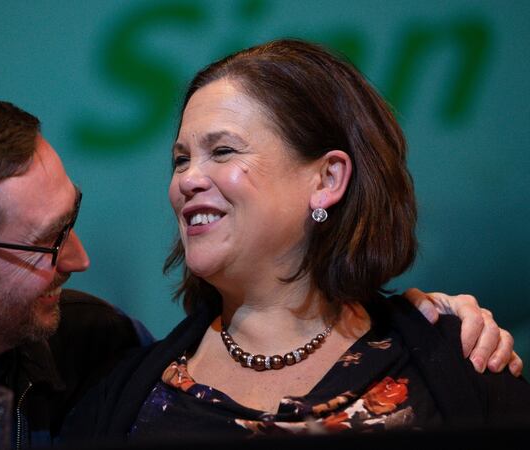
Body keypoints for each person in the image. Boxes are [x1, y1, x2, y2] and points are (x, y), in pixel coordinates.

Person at [0, 92, 519, 449]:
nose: (80, 259)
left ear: (328, 178)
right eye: (49, 242)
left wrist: (437, 330)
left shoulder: (96, 351)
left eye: (224, 151)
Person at [61, 39, 530, 445]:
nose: (187, 179)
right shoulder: (122, 395)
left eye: (222, 151)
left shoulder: (454, 363)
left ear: (327, 179)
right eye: (181, 159)